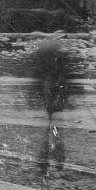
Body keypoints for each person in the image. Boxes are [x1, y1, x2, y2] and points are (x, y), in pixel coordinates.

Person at [25, 40, 84, 176]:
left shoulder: (46, 64)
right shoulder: (59, 62)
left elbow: (36, 82)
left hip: (53, 102)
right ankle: (55, 163)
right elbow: (72, 78)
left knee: (49, 133)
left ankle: (46, 164)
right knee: (54, 133)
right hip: (54, 103)